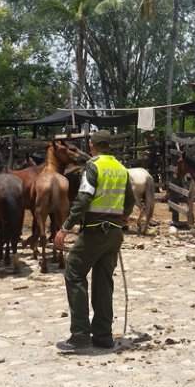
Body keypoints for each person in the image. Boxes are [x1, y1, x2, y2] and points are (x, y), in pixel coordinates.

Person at [53, 130, 136, 351]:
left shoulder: (93, 166)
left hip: (94, 230)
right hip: (115, 233)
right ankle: (103, 336)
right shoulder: (121, 168)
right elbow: (131, 199)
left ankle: (80, 335)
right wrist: (123, 215)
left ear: (92, 146)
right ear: (109, 146)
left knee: (74, 271)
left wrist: (65, 228)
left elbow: (83, 198)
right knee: (103, 282)